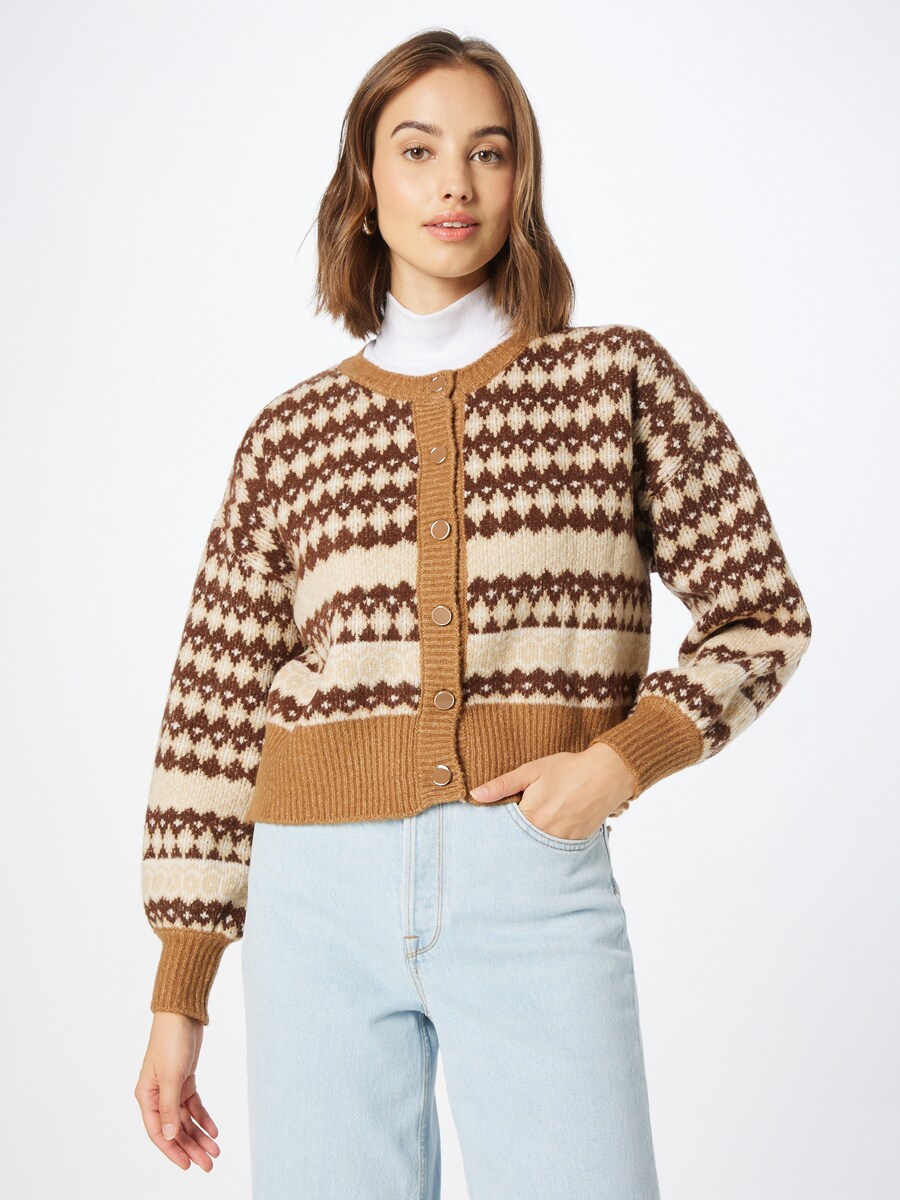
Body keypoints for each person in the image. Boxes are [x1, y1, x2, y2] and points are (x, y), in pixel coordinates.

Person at [133, 28, 813, 1200]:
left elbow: (761, 615)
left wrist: (619, 762)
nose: (455, 183)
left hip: (531, 872)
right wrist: (180, 987)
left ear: (520, 180)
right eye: (418, 150)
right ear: (365, 184)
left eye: (488, 153)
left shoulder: (616, 383)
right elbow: (216, 704)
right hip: (313, 895)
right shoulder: (291, 437)